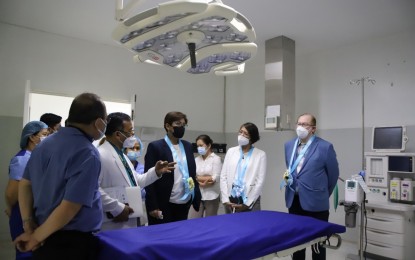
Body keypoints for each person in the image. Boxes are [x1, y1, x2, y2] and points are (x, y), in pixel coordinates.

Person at [14, 92, 107, 259]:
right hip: (71, 243)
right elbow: (70, 206)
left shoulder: (45, 144)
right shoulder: (87, 153)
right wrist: (34, 238)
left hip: (43, 233)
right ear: (99, 122)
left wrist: (28, 224)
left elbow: (25, 184)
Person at [98, 112, 174, 230]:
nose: (132, 136)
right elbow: (92, 189)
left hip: (127, 217)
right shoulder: (100, 155)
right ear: (118, 134)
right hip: (111, 220)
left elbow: (136, 181)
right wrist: (116, 208)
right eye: (130, 132)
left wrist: (156, 172)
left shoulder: (122, 156)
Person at [282, 113, 339, 260]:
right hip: (294, 201)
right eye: (299, 124)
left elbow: (333, 175)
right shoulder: (289, 146)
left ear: (313, 129)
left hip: (316, 203)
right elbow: (291, 169)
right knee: (296, 243)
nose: (300, 127)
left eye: (305, 124)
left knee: (318, 245)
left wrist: (321, 194)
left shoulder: (325, 147)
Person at [144, 111, 201, 225]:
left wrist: (195, 196)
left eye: (184, 125)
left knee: (180, 236)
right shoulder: (156, 146)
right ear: (168, 126)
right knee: (162, 237)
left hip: (184, 201)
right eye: (178, 124)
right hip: (164, 201)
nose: (181, 127)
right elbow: (148, 179)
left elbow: (192, 173)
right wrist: (152, 206)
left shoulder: (187, 146)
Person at [4, 121, 48, 260]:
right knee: (26, 252)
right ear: (32, 137)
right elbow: (11, 193)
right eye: (44, 134)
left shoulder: (35, 157)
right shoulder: (23, 159)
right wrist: (12, 209)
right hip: (22, 213)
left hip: (30, 211)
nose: (47, 138)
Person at [220, 122, 267, 213]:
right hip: (231, 199)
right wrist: (226, 200)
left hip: (250, 200)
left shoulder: (260, 155)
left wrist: (247, 204)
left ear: (252, 137)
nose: (241, 135)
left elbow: (259, 182)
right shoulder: (231, 151)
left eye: (245, 134)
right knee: (231, 226)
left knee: (251, 226)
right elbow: (223, 176)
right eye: (240, 132)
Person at [188, 134, 222, 218]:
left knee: (210, 222)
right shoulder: (196, 160)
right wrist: (206, 179)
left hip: (212, 195)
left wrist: (198, 179)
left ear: (209, 145)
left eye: (201, 145)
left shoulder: (216, 159)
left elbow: (215, 178)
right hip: (197, 195)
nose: (199, 148)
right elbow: (191, 177)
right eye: (197, 146)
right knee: (194, 220)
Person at [123, 136, 148, 225]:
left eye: (137, 148)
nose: (134, 150)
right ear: (124, 149)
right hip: (123, 207)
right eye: (131, 148)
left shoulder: (143, 169)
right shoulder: (121, 166)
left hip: (140, 206)